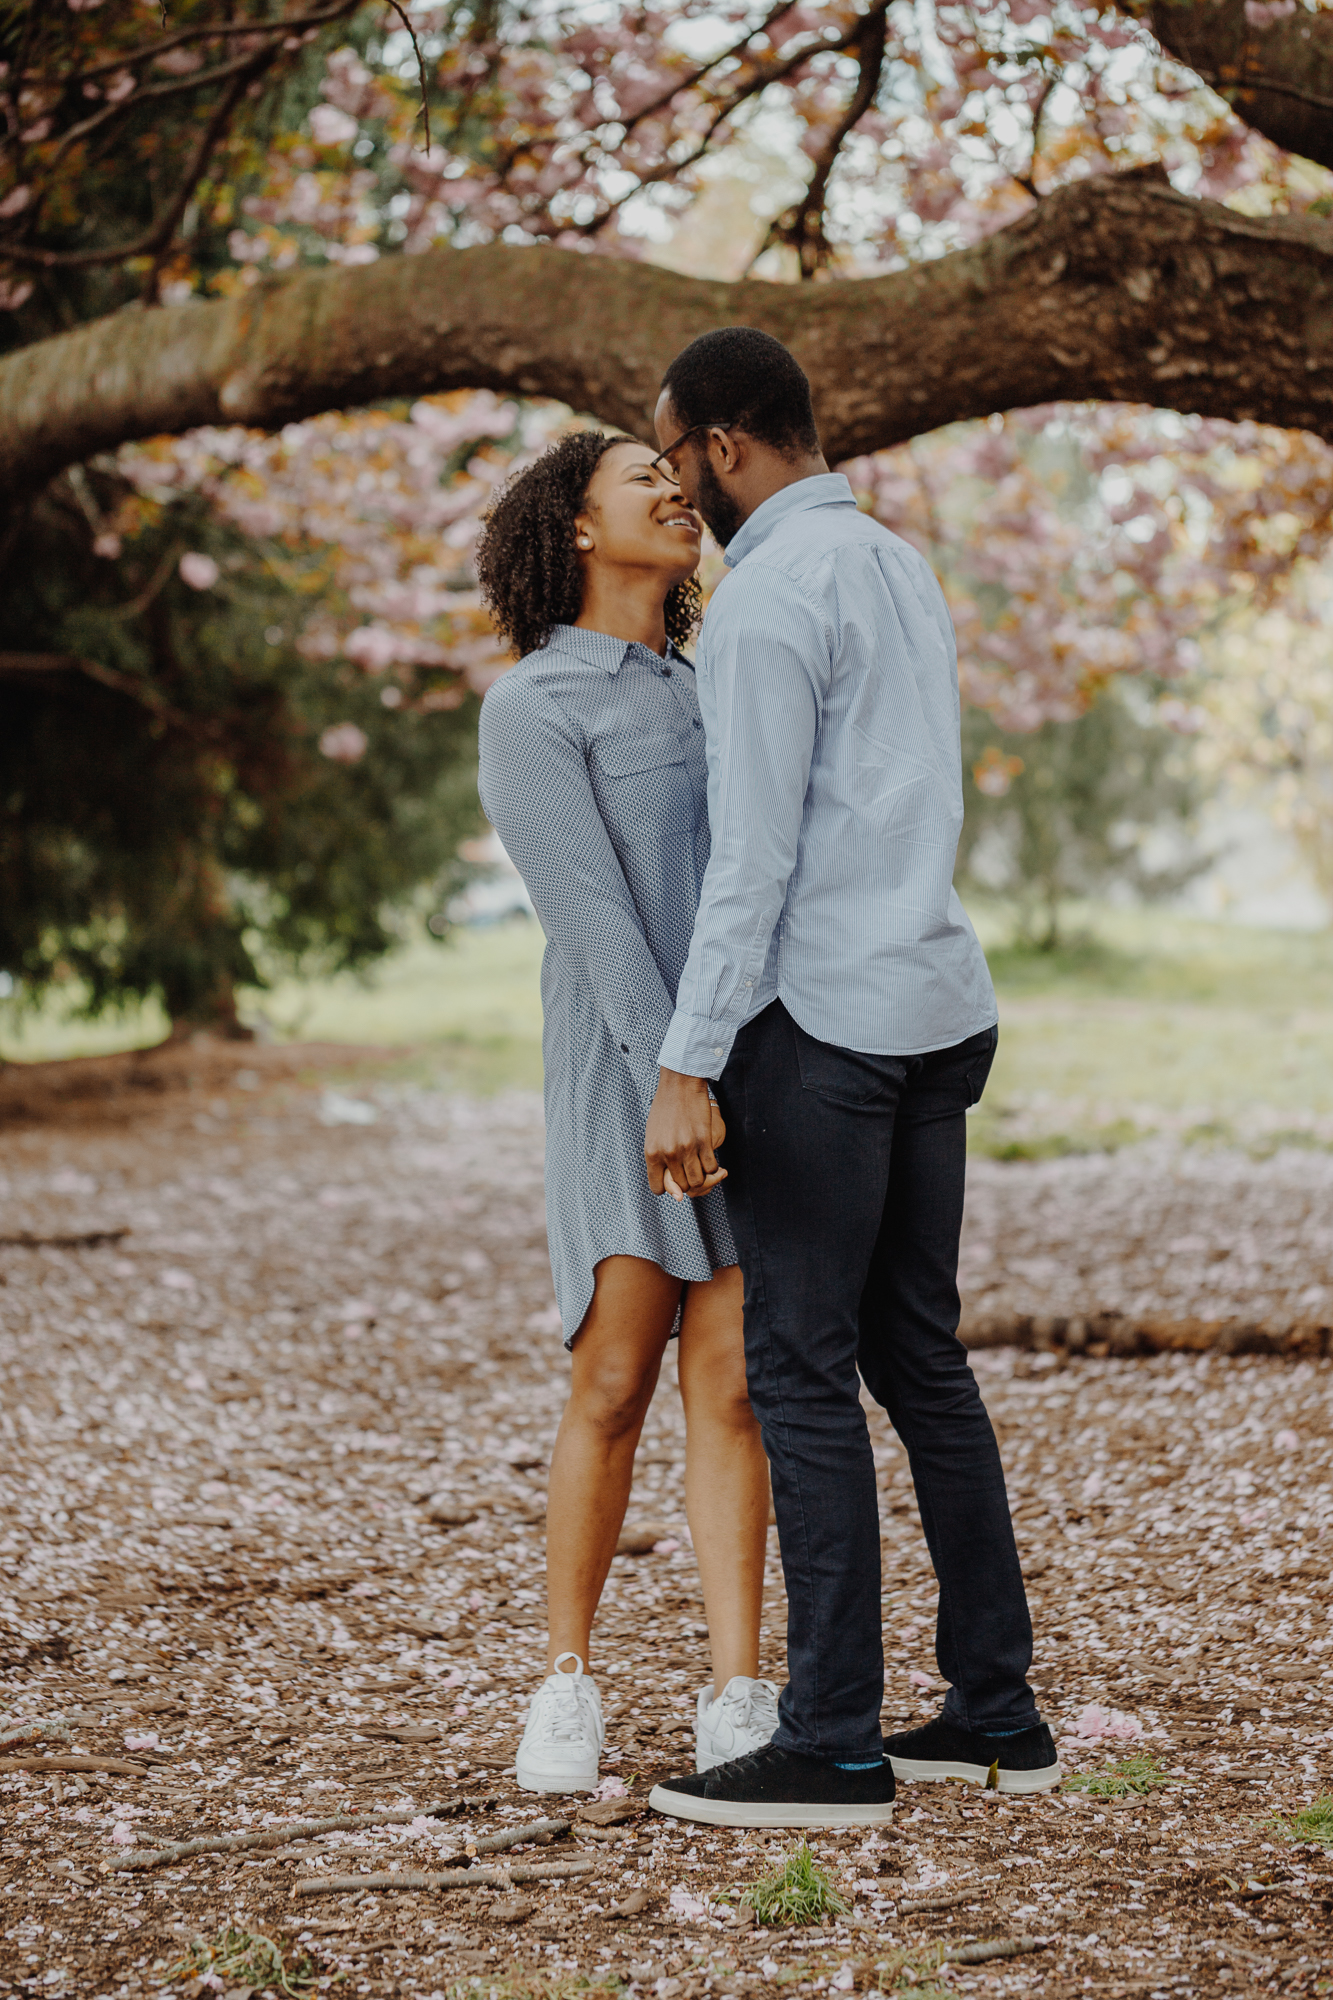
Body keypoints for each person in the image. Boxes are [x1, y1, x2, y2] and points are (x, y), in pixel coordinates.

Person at [642, 328, 1059, 1830]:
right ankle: (995, 1715)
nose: (677, 489)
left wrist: (687, 1063)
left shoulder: (766, 605)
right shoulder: (893, 563)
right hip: (936, 1006)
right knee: (919, 1360)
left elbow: (752, 862)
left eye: (671, 453)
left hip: (825, 1025)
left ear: (726, 444)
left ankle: (827, 1741)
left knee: (800, 1370)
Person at [475, 430, 777, 1795]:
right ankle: (565, 1682)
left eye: (676, 473)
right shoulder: (535, 705)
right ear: (578, 529)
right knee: (611, 1382)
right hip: (622, 1074)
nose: (675, 489)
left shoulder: (715, 692)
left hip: (745, 1070)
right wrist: (674, 1079)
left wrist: (728, 1071)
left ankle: (735, 1692)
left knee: (734, 1386)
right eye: (637, 478)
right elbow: (596, 926)